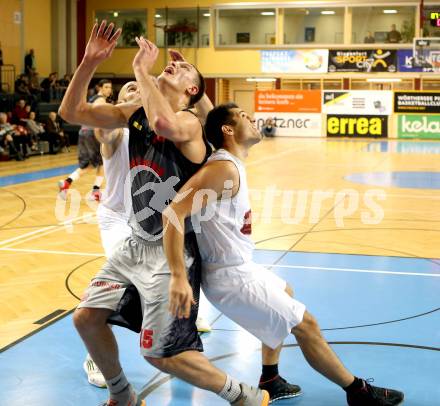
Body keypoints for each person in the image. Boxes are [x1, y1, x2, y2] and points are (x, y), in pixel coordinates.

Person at [60, 21, 269, 406]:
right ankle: (123, 394)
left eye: (185, 69)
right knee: (85, 318)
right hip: (135, 242)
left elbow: (163, 123)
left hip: (171, 250)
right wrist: (89, 61)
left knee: (160, 354)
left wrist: (142, 71)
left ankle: (242, 395)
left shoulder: (189, 123)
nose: (174, 66)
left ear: (192, 91)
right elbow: (72, 111)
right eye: (173, 65)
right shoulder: (137, 112)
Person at [162, 103, 405, 406]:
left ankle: (270, 378)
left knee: (286, 290)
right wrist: (177, 276)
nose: (252, 119)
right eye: (243, 117)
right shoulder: (221, 169)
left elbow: (216, 116)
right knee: (307, 325)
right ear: (227, 129)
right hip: (229, 276)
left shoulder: (231, 162)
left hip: (241, 267)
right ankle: (358, 392)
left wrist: (204, 99)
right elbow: (173, 212)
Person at [58, 79, 113, 201]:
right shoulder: (100, 100)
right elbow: (100, 119)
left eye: (110, 87)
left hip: (83, 131)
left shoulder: (92, 99)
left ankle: (66, 183)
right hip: (92, 133)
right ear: (100, 88)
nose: (109, 90)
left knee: (89, 165)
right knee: (101, 163)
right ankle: (95, 192)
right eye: (106, 87)